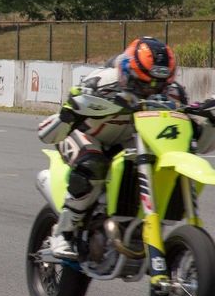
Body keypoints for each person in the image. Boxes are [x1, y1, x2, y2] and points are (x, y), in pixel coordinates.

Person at [36, 36, 215, 260]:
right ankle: (64, 233)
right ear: (128, 72)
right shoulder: (101, 82)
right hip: (87, 135)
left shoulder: (174, 93)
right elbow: (51, 129)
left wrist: (208, 121)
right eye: (144, 83)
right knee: (92, 164)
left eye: (159, 84)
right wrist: (73, 109)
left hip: (130, 143)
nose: (151, 90)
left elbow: (195, 139)